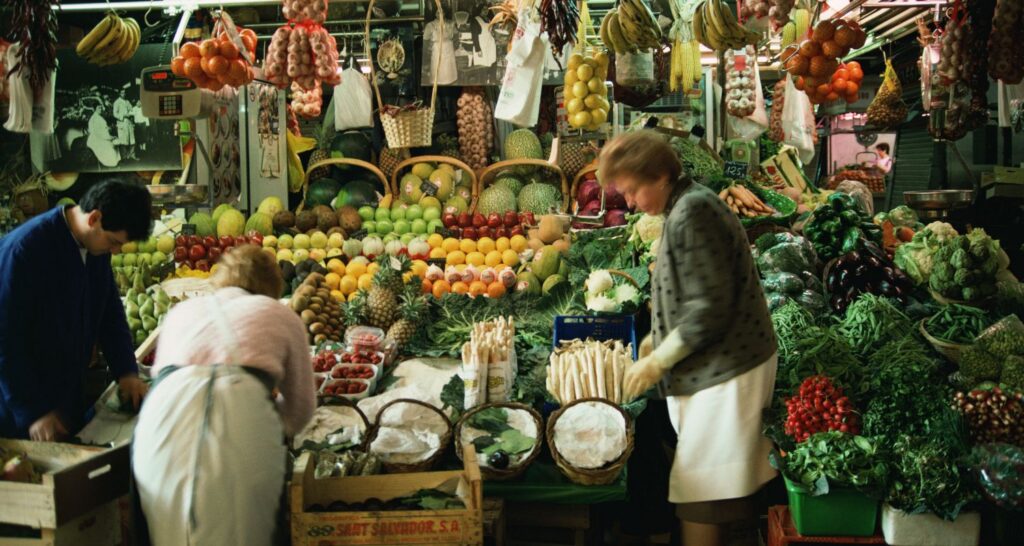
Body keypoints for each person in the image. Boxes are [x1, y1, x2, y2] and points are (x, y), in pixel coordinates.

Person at [601, 131, 778, 546]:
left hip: (728, 366)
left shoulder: (692, 212)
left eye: (632, 191)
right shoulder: (685, 203)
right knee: (708, 482)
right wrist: (655, 341)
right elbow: (694, 288)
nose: (629, 203)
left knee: (701, 490)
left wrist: (659, 359)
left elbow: (709, 308)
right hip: (719, 362)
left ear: (660, 175)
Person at [132, 244, 315, 546]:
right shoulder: (279, 313)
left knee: (171, 532)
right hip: (238, 417)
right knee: (241, 533)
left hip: (160, 422)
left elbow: (158, 377)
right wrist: (266, 424)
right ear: (271, 285)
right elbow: (301, 408)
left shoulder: (182, 312)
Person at [0, 180, 152, 440]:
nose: (115, 251)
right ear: (95, 218)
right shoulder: (25, 251)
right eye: (114, 242)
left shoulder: (95, 248)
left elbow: (110, 313)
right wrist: (32, 412)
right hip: (19, 410)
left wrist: (126, 371)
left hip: (65, 396)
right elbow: (5, 341)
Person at [423, 5, 458, 85]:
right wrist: (429, 49)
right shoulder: (430, 25)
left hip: (449, 48)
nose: (440, 14)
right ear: (435, 14)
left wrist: (455, 46)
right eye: (438, 12)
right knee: (438, 70)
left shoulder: (451, 23)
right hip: (437, 49)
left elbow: (456, 34)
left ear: (444, 13)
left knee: (449, 71)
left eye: (441, 12)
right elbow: (425, 39)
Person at [86, 102, 121, 168]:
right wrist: (109, 137)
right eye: (99, 108)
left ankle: (116, 162)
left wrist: (108, 130)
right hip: (96, 139)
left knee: (115, 142)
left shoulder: (99, 117)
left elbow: (103, 129)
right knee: (110, 146)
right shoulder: (94, 119)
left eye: (101, 107)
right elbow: (98, 132)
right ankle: (111, 164)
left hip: (102, 136)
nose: (101, 109)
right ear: (94, 109)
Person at [113, 90, 136, 160]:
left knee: (132, 139)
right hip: (122, 123)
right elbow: (115, 114)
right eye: (122, 93)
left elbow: (132, 110)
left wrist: (131, 113)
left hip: (129, 122)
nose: (124, 94)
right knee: (123, 140)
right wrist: (123, 115)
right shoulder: (117, 102)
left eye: (124, 93)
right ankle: (124, 156)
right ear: (119, 94)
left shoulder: (127, 101)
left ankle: (132, 155)